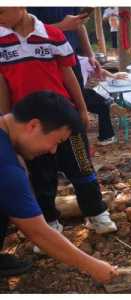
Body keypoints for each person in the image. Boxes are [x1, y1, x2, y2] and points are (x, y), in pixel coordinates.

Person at [0, 8, 117, 253]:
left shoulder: (52, 35)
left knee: (82, 167)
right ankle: (50, 224)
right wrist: (6, 121)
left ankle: (96, 212)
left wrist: (82, 109)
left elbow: (69, 73)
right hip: (30, 128)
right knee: (41, 175)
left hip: (64, 118)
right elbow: (2, 84)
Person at [0, 92, 117, 282]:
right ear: (33, 126)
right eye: (57, 141)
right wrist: (93, 266)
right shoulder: (6, 168)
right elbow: (39, 233)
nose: (53, 151)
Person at [78, 56, 118, 146]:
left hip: (76, 91)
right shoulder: (84, 60)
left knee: (98, 97)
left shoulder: (73, 57)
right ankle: (106, 137)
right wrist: (113, 76)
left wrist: (114, 76)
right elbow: (99, 71)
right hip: (77, 92)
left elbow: (99, 71)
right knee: (103, 106)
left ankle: (112, 103)